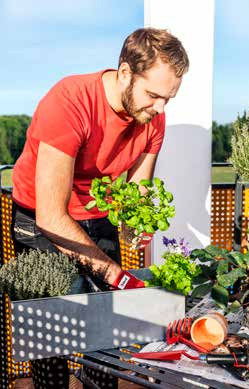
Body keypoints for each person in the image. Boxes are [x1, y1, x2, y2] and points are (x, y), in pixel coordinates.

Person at [11, 27, 189, 388]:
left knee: (106, 333)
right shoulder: (70, 101)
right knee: (51, 339)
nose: (160, 108)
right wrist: (115, 275)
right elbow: (51, 215)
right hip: (39, 220)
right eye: (154, 94)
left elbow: (138, 190)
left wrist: (134, 224)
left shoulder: (154, 115)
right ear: (125, 73)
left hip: (96, 214)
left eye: (168, 98)